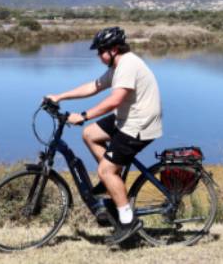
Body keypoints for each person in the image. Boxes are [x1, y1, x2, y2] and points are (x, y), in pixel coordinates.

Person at [47, 26, 163, 244]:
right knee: (90, 134)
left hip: (139, 125)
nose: (99, 56)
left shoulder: (127, 65)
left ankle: (128, 221)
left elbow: (114, 100)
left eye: (101, 51)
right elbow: (94, 86)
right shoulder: (118, 65)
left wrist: (83, 115)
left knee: (105, 170)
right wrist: (60, 96)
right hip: (127, 118)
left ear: (114, 49)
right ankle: (113, 180)